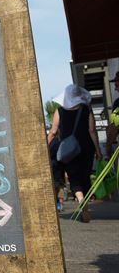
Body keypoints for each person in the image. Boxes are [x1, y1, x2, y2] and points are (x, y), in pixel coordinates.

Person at [47, 84, 102, 223]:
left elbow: (53, 132)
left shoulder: (60, 111)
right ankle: (85, 203)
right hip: (86, 148)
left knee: (74, 176)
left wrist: (45, 147)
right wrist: (98, 150)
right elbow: (92, 131)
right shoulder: (86, 110)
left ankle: (80, 199)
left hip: (69, 149)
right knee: (85, 175)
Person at [105, 71, 119, 158]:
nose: (115, 88)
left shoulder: (118, 103)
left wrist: (108, 148)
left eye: (117, 85)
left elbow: (114, 127)